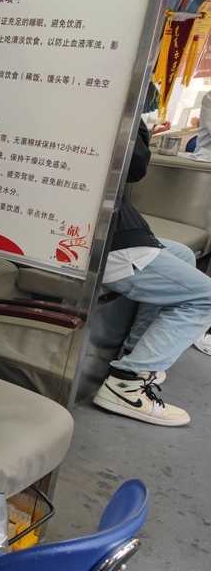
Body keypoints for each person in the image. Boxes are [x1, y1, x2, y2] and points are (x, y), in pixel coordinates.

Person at [93, 119, 211, 426]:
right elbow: (134, 166)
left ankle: (136, 353)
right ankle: (126, 385)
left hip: (118, 225)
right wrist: (136, 117)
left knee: (183, 254)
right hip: (105, 238)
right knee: (206, 298)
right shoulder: (110, 103)